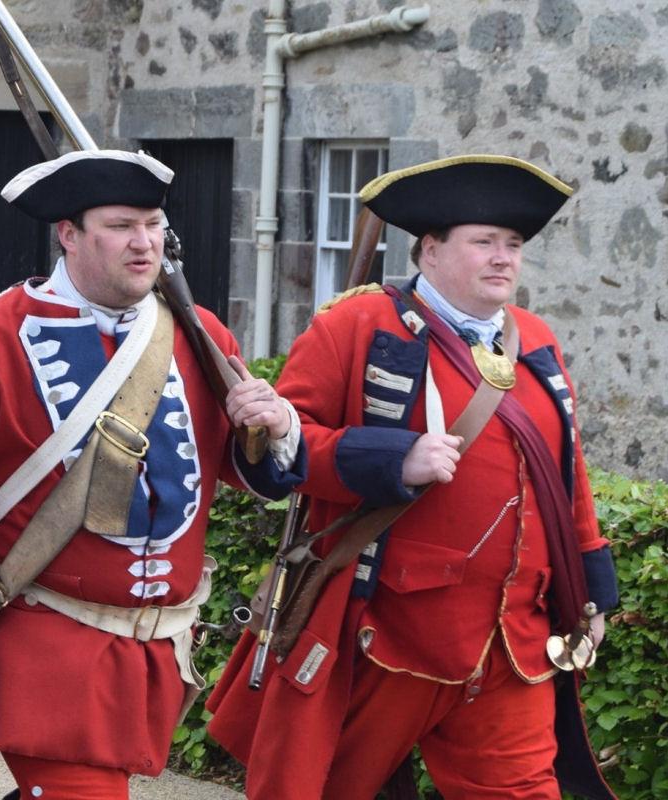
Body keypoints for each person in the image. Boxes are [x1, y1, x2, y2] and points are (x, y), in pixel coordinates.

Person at [0, 149, 306, 799]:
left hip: (156, 653)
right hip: (43, 642)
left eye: (153, 224)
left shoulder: (199, 331)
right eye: (120, 225)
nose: (143, 243)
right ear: (69, 233)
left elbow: (238, 471)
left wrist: (272, 432)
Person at [206, 155, 621, 799]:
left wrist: (589, 594)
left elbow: (566, 473)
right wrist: (390, 458)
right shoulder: (355, 324)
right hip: (389, 631)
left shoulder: (533, 337)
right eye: (484, 242)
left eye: (512, 245)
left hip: (516, 638)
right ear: (429, 250)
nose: (503, 258)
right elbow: (279, 450)